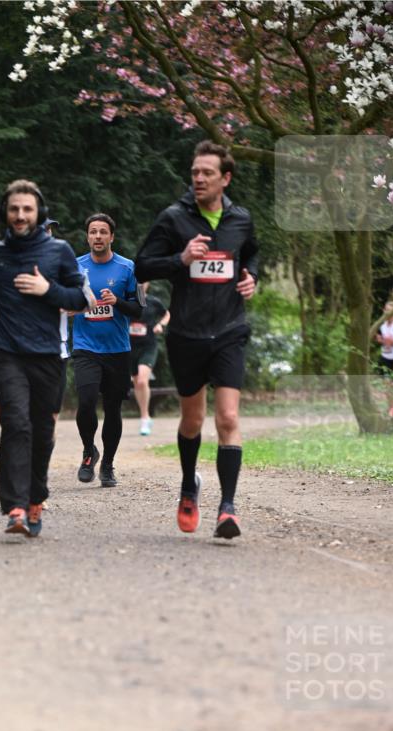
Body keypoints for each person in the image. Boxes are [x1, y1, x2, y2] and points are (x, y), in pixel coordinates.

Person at [135, 139, 258, 539]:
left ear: (226, 178)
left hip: (228, 331)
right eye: (194, 173)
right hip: (187, 333)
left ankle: (228, 508)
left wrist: (252, 275)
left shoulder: (240, 219)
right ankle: (189, 486)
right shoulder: (174, 219)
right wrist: (181, 260)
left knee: (228, 418)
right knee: (192, 420)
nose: (199, 179)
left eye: (207, 173)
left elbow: (252, 253)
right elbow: (142, 266)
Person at [0, 179, 88, 535]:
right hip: (5, 351)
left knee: (42, 431)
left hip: (48, 353)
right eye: (14, 209)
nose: (20, 215)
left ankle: (36, 497)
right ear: (5, 211)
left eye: (27, 209)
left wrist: (49, 290)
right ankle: (15, 508)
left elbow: (81, 299)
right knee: (16, 423)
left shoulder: (59, 251)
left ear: (39, 213)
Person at [72, 214, 144, 488]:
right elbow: (64, 298)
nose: (98, 236)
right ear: (87, 236)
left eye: (103, 232)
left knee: (113, 409)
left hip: (117, 349)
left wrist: (118, 303)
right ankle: (89, 450)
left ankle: (108, 465)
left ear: (112, 237)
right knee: (87, 401)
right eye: (93, 232)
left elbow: (139, 309)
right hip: (85, 347)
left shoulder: (127, 267)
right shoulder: (75, 267)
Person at [129, 282, 170, 435]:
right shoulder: (125, 301)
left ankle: (145, 417)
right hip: (130, 348)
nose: (139, 284)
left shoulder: (153, 301)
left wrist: (161, 325)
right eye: (136, 281)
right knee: (137, 383)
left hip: (148, 346)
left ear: (147, 284)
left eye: (142, 282)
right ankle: (144, 414)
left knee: (141, 380)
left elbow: (167, 314)